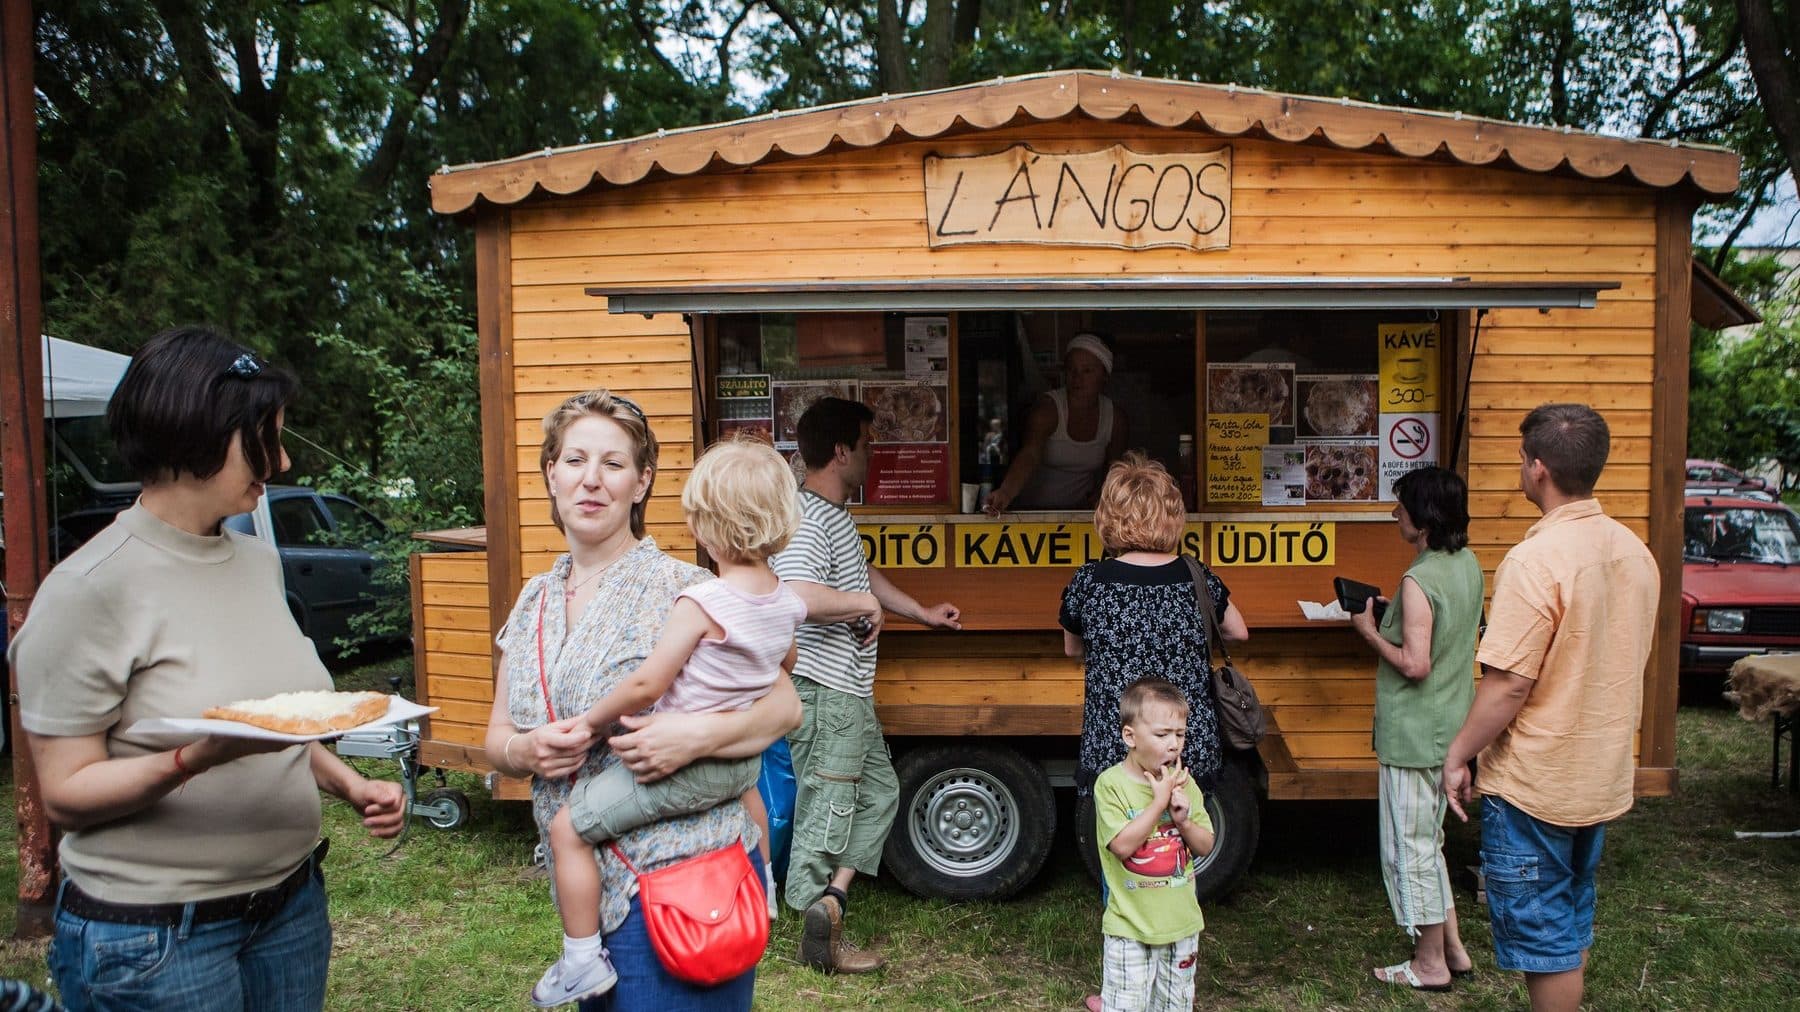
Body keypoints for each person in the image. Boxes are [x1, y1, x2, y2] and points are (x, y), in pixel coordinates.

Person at [8, 325, 407, 1012]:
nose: (279, 461)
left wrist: (347, 782)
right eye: (265, 439)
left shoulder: (254, 559)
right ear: (200, 433)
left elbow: (273, 717)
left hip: (288, 908)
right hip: (157, 941)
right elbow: (66, 794)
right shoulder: (87, 590)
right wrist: (195, 758)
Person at [483, 389, 803, 1012]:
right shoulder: (533, 604)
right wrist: (525, 748)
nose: (591, 480)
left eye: (613, 463)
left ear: (642, 482)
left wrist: (693, 737)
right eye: (574, 461)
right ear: (551, 475)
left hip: (682, 884)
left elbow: (785, 705)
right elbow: (497, 739)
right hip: (588, 901)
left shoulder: (688, 587)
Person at [1442, 403, 1658, 1012]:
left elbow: (1509, 683)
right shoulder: (1636, 552)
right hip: (1601, 774)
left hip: (1539, 782)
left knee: (1546, 939)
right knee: (1569, 917)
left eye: (1519, 458)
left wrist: (1459, 754)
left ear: (1537, 469)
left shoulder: (1535, 561)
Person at [772, 397, 962, 973]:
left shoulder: (833, 516)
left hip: (848, 695)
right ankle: (815, 938)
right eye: (867, 444)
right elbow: (797, 596)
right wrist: (858, 605)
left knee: (879, 795)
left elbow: (861, 576)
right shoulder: (807, 518)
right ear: (840, 452)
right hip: (826, 694)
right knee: (826, 812)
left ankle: (830, 903)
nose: (873, 454)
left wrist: (920, 612)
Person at [1349, 466, 1483, 992]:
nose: (1394, 513)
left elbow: (1415, 663)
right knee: (1431, 841)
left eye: (1401, 507)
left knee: (1408, 849)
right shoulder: (1466, 564)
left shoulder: (1419, 579)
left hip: (1413, 733)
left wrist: (1367, 631)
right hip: (1453, 725)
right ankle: (1453, 948)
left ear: (1424, 518)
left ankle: (1428, 965)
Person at [1061, 453, 1247, 800]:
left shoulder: (1089, 581)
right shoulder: (1196, 576)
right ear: (1172, 515)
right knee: (1180, 844)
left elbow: (1073, 648)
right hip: (1183, 746)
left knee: (1123, 844)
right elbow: (1238, 631)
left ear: (1108, 517)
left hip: (1116, 746)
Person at [1092, 678, 1217, 1012]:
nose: (1173, 745)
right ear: (1130, 737)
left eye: (1179, 734)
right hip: (1129, 927)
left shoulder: (1184, 784)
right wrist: (1158, 804)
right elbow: (1121, 846)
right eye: (1162, 735)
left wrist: (1184, 821)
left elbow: (1205, 845)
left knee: (1174, 1006)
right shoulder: (1111, 785)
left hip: (1182, 927)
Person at [985, 332, 1129, 513]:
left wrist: (1103, 495)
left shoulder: (1115, 419)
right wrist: (1005, 493)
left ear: (1105, 376)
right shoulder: (1048, 410)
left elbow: (1116, 470)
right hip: (1030, 512)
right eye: (1072, 370)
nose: (1078, 378)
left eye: (1087, 371)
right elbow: (1030, 454)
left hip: (1080, 513)